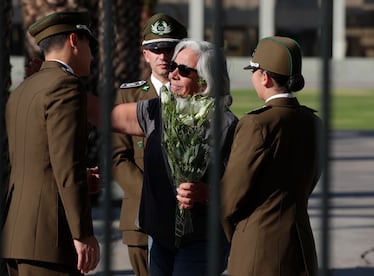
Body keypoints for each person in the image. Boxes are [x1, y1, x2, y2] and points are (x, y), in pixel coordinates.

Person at [90, 39, 237, 275]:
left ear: (205, 79)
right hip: (160, 239)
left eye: (184, 70)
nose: (173, 74)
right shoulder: (158, 110)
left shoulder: (226, 125)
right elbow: (103, 116)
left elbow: (242, 187)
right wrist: (58, 82)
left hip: (202, 242)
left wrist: (207, 193)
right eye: (173, 67)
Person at [1, 10, 100, 276]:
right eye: (90, 44)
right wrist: (83, 234)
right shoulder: (66, 86)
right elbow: (67, 165)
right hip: (49, 239)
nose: (92, 54)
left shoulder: (23, 90)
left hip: (17, 235)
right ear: (73, 41)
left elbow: (38, 160)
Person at [221, 36, 322, 276]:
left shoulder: (256, 123)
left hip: (258, 247)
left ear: (264, 77)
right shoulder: (314, 122)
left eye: (254, 71)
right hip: (301, 245)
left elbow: (230, 197)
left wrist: (237, 233)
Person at [112, 13, 187, 276]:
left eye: (170, 48)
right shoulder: (128, 95)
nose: (163, 56)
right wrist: (153, 193)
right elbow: (117, 157)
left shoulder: (199, 95)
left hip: (187, 218)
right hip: (140, 217)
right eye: (155, 49)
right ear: (145, 54)